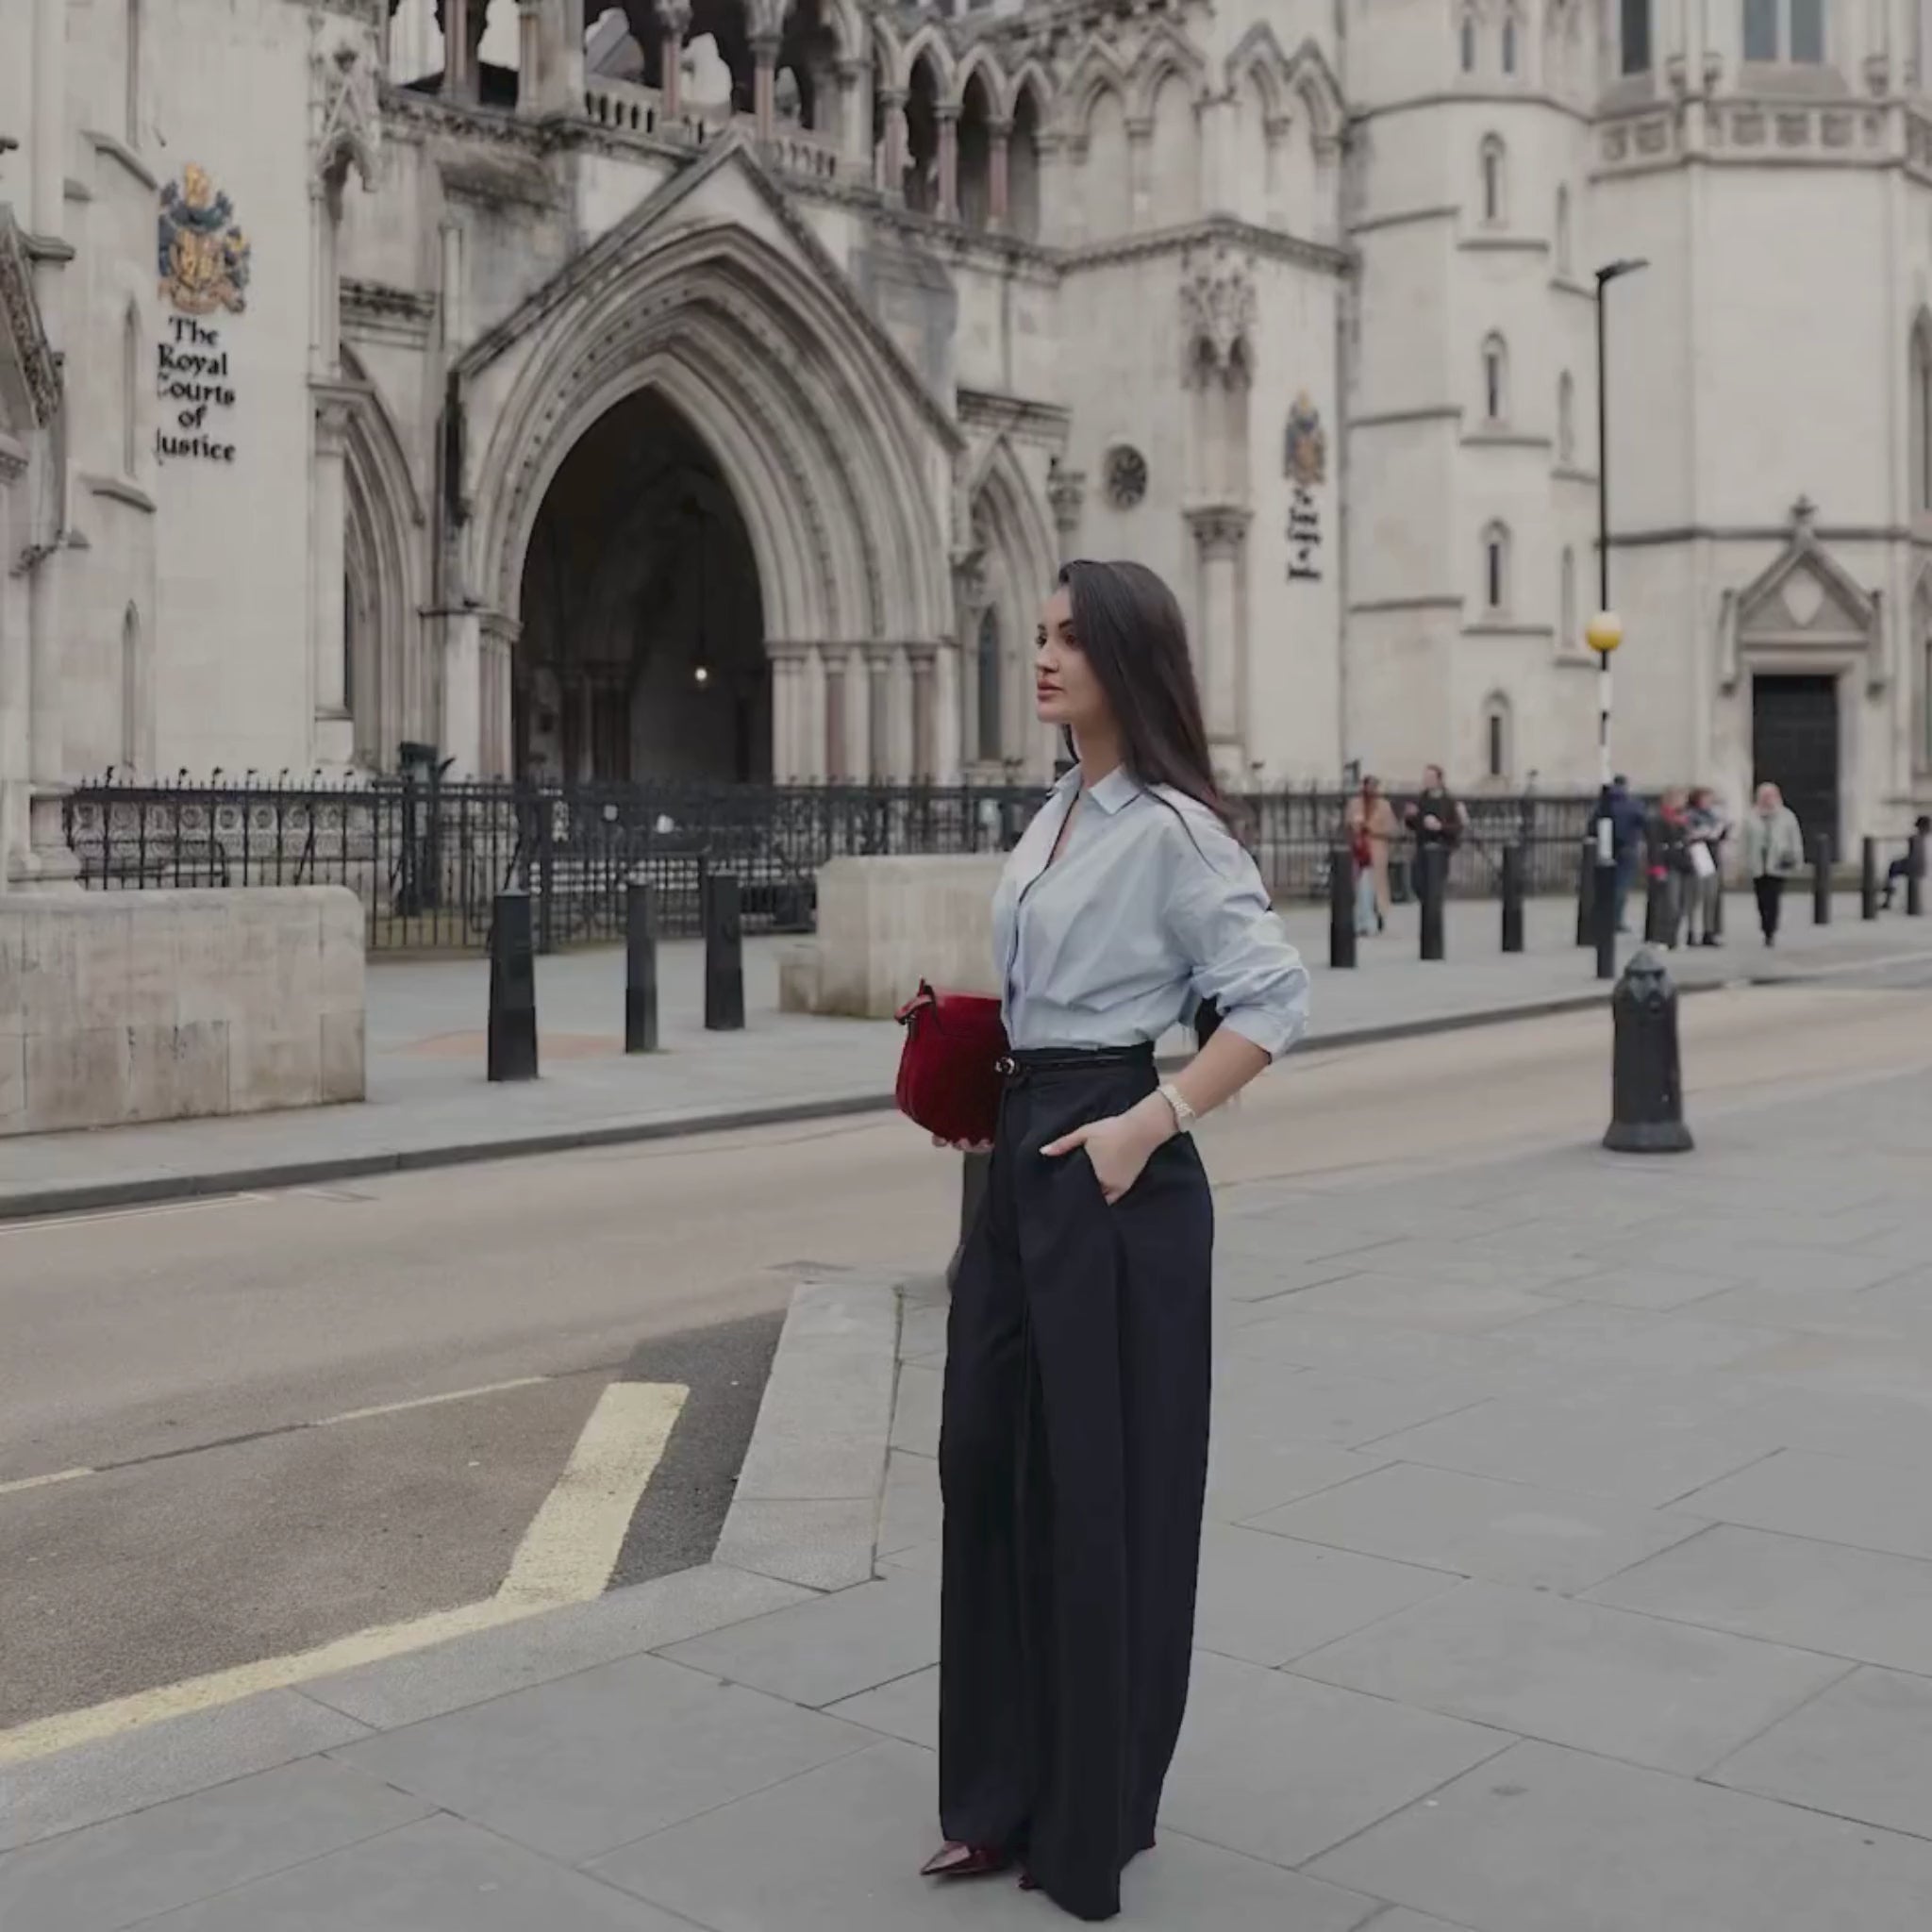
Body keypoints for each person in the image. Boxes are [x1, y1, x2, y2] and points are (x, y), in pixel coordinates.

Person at [924, 559, 1309, 1924]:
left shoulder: (1175, 831)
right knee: (983, 1461)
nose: (1042, 657)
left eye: (1070, 640)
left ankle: (1087, 1814)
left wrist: (1150, 1122)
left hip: (1113, 1165)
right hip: (1023, 1150)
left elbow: (1270, 999)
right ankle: (996, 1793)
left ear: (1127, 659)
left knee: (1096, 1493)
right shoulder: (1054, 813)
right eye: (1036, 635)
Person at [1743, 781, 1805, 945]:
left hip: (1778, 862)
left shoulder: (1787, 816)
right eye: (1764, 796)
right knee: (1761, 898)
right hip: (1757, 863)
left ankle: (1771, 930)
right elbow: (1744, 841)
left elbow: (1795, 839)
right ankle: (1765, 924)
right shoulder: (1751, 816)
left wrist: (1797, 859)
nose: (1768, 799)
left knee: (1773, 897)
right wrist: (1742, 862)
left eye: (1771, 796)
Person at [1342, 773, 1397, 935]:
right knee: (1360, 887)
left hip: (1376, 851)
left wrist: (1372, 829)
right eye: (1368, 786)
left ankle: (1376, 917)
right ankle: (1361, 921)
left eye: (1374, 786)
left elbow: (1391, 828)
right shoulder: (1355, 804)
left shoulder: (1384, 806)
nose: (1371, 789)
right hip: (1359, 850)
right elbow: (1347, 824)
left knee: (1374, 887)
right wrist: (1355, 827)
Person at [1681, 786, 1727, 947]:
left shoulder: (1714, 815)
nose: (1709, 802)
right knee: (1694, 897)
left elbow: (1720, 834)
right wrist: (1703, 833)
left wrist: (1721, 831)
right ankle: (1691, 931)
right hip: (1698, 856)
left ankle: (1709, 931)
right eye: (1706, 798)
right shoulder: (1690, 815)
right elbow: (1687, 834)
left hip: (1712, 857)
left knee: (1711, 897)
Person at [1605, 774, 1647, 934]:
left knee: (1606, 886)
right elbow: (1644, 822)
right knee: (1622, 886)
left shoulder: (1604, 804)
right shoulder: (1633, 804)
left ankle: (1605, 918)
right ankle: (1617, 920)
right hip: (1628, 847)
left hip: (1607, 848)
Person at [1882, 814, 1932, 909]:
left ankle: (1888, 897)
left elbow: (1913, 856)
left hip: (1915, 867)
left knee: (1893, 867)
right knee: (1894, 867)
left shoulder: (1915, 838)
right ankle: (1888, 893)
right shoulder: (1925, 838)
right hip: (1921, 867)